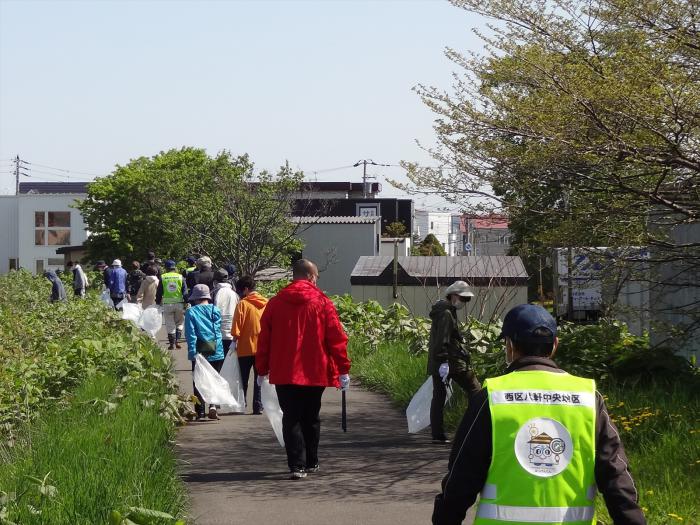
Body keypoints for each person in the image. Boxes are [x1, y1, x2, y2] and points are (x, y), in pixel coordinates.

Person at [432, 304, 646, 525]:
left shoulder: (493, 397)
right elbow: (616, 476)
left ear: (510, 346)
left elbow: (462, 477)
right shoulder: (588, 398)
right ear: (554, 345)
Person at [256, 259, 351, 479]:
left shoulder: (275, 303)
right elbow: (336, 338)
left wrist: (262, 369)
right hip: (314, 370)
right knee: (311, 416)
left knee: (291, 417)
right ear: (310, 276)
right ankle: (312, 461)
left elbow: (264, 340)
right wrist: (342, 369)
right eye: (316, 278)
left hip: (284, 371)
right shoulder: (322, 302)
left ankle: (296, 466)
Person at [427, 281, 481, 444]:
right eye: (463, 298)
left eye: (466, 299)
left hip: (439, 361)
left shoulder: (442, 310)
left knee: (439, 396)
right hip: (452, 360)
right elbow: (443, 338)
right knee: (476, 390)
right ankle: (475, 428)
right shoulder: (446, 313)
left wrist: (440, 361)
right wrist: (444, 360)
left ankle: (438, 435)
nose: (464, 302)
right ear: (453, 295)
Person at [185, 284, 226, 420]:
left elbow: (191, 335)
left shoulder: (191, 312)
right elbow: (218, 331)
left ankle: (200, 411)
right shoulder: (215, 309)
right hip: (216, 349)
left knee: (199, 381)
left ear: (195, 298)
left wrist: (192, 353)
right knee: (214, 379)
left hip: (200, 351)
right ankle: (213, 406)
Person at [232, 275, 267, 415]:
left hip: (245, 348)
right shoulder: (267, 303)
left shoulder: (243, 304)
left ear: (246, 289)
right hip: (262, 348)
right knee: (260, 379)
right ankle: (258, 406)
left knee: (243, 379)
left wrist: (234, 341)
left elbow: (237, 326)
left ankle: (242, 405)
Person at [158, 260, 188, 350]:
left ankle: (171, 344)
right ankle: (177, 341)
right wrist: (186, 302)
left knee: (170, 324)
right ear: (174, 267)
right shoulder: (180, 277)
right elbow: (185, 291)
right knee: (179, 323)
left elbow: (159, 292)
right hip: (179, 304)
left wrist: (157, 302)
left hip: (167, 304)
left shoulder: (163, 277)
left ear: (166, 268)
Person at [212, 268, 239, 355]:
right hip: (232, 334)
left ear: (215, 281)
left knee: (219, 363)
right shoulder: (234, 294)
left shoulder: (214, 293)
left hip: (218, 334)